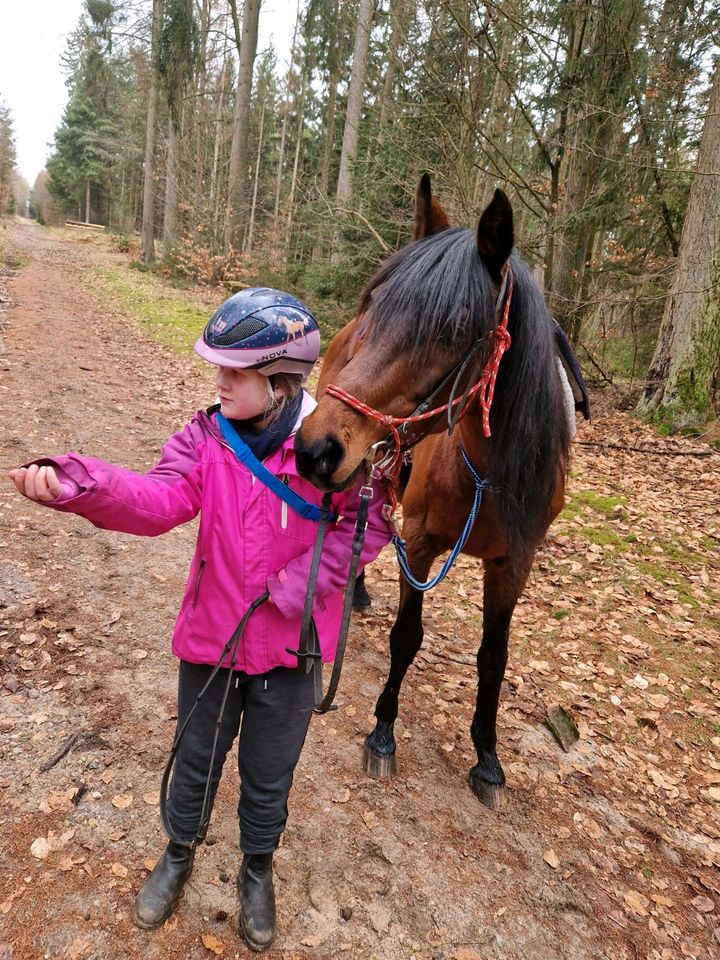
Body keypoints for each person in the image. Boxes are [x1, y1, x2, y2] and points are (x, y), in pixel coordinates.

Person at [8, 288, 390, 952]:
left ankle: (257, 868)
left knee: (272, 771)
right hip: (214, 640)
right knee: (196, 759)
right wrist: (80, 484)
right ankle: (179, 852)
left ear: (280, 382)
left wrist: (296, 587)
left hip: (294, 650)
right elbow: (158, 498)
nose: (217, 382)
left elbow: (370, 522)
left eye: (232, 372)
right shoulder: (204, 437)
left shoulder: (337, 445)